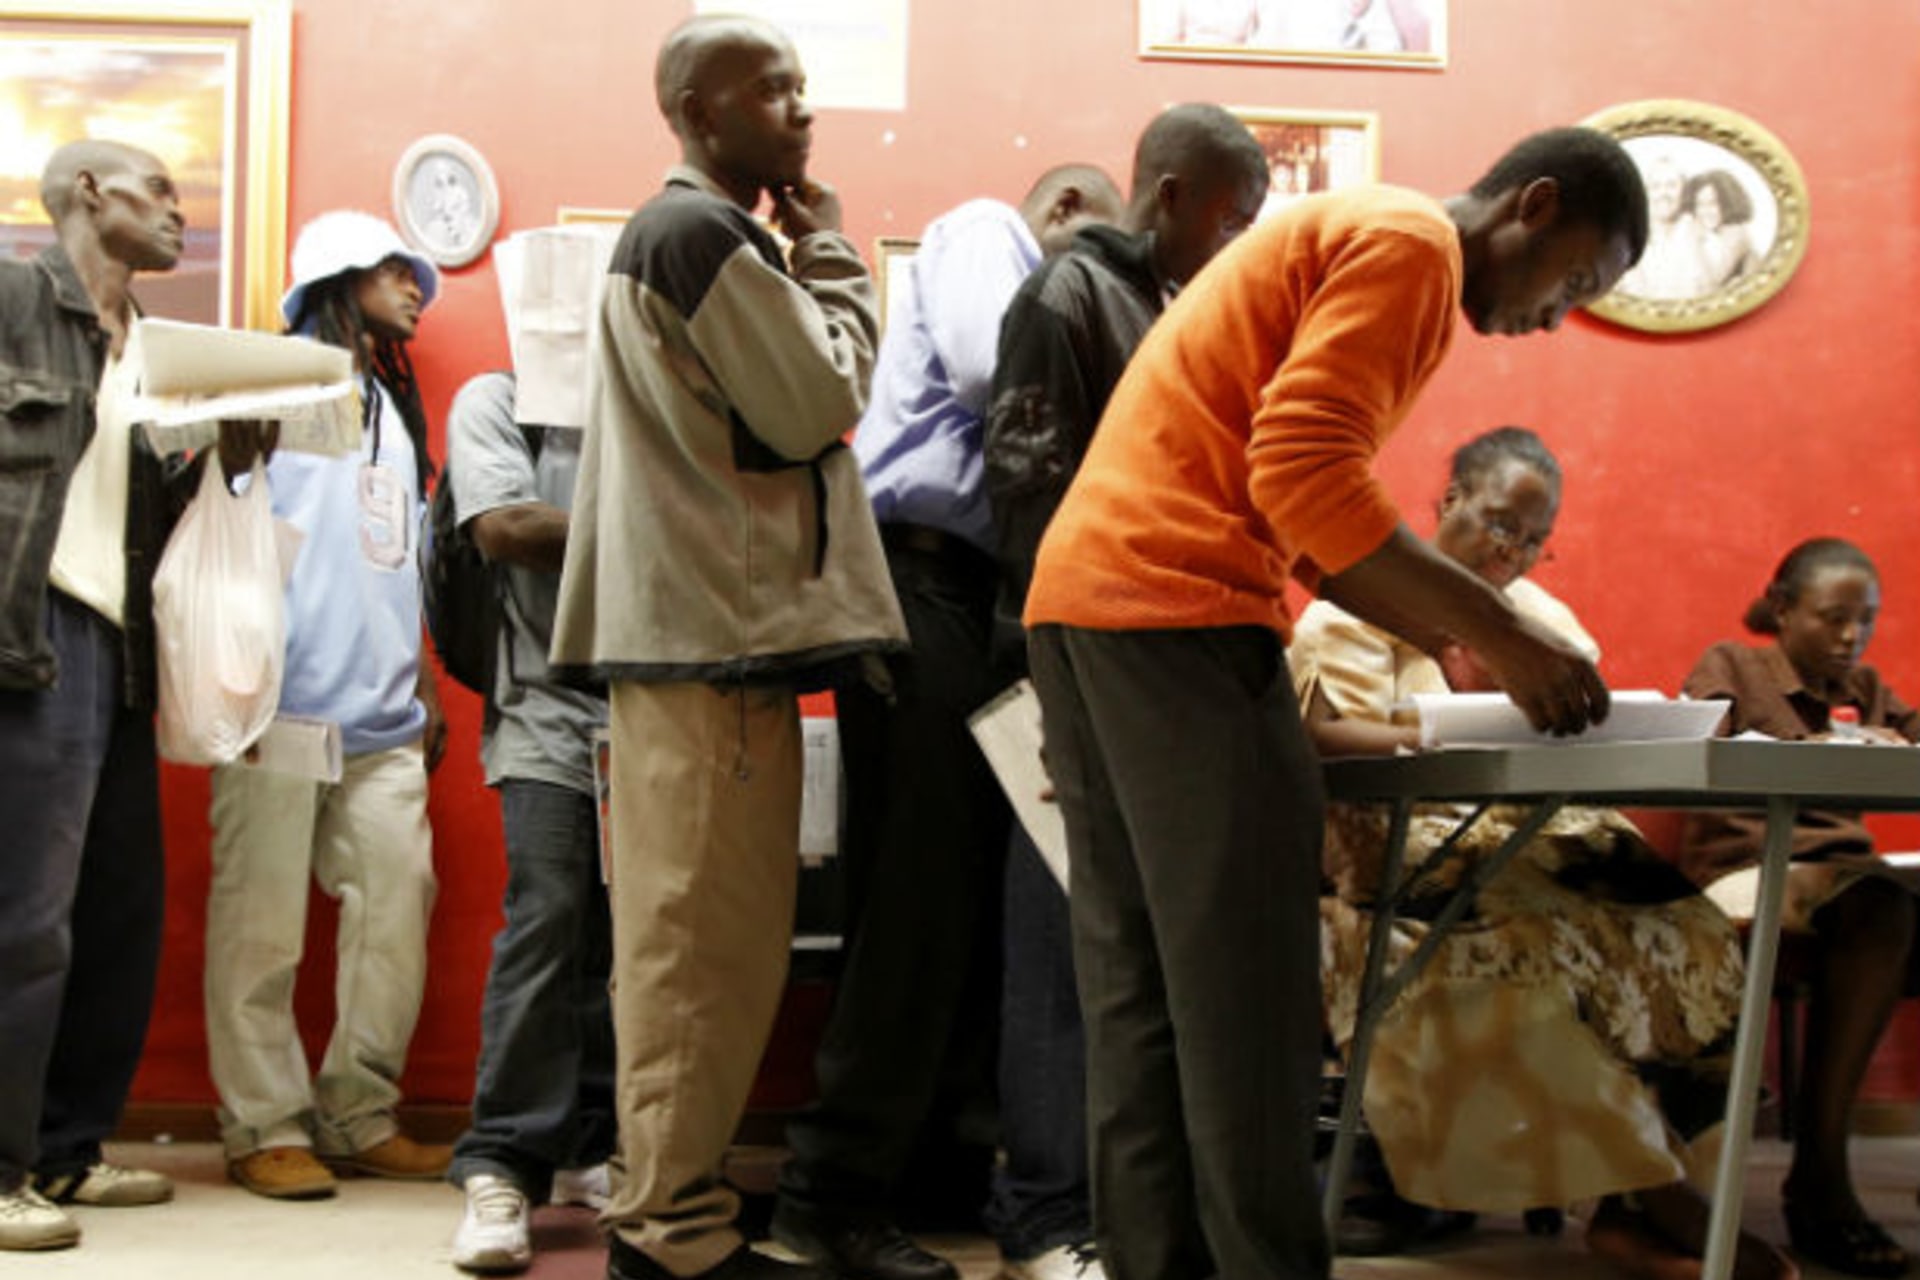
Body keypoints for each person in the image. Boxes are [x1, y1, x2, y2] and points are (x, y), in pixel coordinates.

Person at [1021, 125, 1647, 1280]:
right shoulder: (1412, 245)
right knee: (1248, 998)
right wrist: (1502, 629)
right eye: (1574, 282)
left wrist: (1437, 630)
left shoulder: (1361, 232)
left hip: (1084, 605)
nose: (1559, 317)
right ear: (1533, 205)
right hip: (1178, 609)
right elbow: (1305, 473)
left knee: (1143, 992)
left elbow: (1292, 496)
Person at [547, 16, 907, 1280]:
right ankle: (670, 1237)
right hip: (706, 646)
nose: (803, 109)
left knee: (708, 950)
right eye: (774, 89)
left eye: (805, 85)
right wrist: (834, 255)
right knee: (696, 954)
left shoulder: (699, 236)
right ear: (699, 109)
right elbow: (822, 396)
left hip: (710, 644)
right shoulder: (697, 232)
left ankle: (675, 1219)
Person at [1295, 426, 1791, 1280]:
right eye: (1498, 524)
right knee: (1514, 954)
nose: (1512, 552)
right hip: (1403, 848)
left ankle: (1630, 1212)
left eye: (1533, 540)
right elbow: (1328, 749)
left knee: (1690, 931)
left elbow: (1585, 729)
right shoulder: (1349, 608)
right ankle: (1663, 1194)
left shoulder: (1545, 621)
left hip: (1542, 835)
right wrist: (1444, 719)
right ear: (1448, 500)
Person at [769, 162, 1123, 1280]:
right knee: (914, 904)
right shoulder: (983, 230)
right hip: (921, 583)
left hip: (971, 597)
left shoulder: (1033, 268)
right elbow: (987, 368)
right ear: (1065, 213)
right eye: (1100, 252)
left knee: (962, 908)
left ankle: (915, 1172)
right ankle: (825, 1196)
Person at [981, 103, 1270, 1280]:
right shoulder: (1066, 297)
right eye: (1230, 217)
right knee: (1066, 943)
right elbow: (1026, 492)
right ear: (1167, 196)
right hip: (1075, 657)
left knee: (1126, 950)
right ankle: (1046, 1216)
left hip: (1142, 660)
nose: (1237, 242)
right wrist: (1063, 687)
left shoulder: (1161, 306)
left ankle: (1122, 1213)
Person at [0, 138, 267, 1252]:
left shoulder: (152, 348)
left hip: (118, 642)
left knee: (118, 913)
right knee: (25, 919)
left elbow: (135, 499)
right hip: (31, 629)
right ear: (89, 192)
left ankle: (67, 1150)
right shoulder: (15, 293)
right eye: (159, 189)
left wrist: (231, 450)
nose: (178, 209)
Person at [204, 209, 450, 1201]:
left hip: (385, 710)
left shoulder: (395, 403)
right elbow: (214, 503)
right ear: (339, 278)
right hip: (279, 702)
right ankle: (263, 1122)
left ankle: (357, 1111)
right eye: (393, 267)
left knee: (397, 906)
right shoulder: (272, 378)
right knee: (262, 924)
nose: (413, 285)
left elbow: (397, 554)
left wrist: (426, 675)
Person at [1678, 537, 1920, 1280]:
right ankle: (1821, 1177)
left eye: (1866, 620)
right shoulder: (1733, 666)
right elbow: (1697, 749)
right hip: (1746, 870)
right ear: (1783, 608)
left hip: (1843, 883)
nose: (1852, 637)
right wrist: (1831, 742)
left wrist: (1886, 739)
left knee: (1881, 901)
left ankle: (1822, 1174)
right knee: (1881, 906)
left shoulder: (1869, 686)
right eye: (1834, 618)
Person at [444, 365, 615, 1274]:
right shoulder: (498, 398)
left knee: (625, 936)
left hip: (643, 703)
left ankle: (589, 1145)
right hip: (544, 706)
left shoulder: (648, 394)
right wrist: (661, 524)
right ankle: (501, 1159)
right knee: (548, 913)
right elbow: (506, 527)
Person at [1618, 154, 1705, 301]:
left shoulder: (1702, 236)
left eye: (1671, 185)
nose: (1663, 193)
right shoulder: (1625, 240)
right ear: (1645, 193)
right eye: (1656, 186)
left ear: (1684, 191)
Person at [1685, 168, 1758, 289]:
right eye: (1700, 204)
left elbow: (1709, 287)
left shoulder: (1736, 233)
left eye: (1712, 203)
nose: (1705, 211)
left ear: (1727, 203)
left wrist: (1696, 242)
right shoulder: (1718, 234)